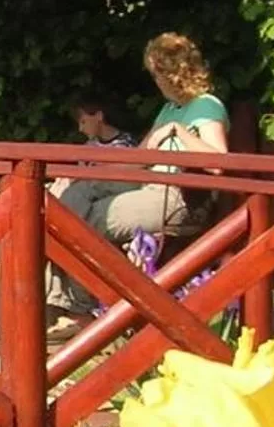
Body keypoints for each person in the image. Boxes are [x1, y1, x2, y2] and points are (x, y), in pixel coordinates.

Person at [49, 35, 229, 317]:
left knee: (90, 219)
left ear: (173, 74)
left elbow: (219, 161)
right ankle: (62, 286)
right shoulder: (170, 109)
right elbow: (140, 158)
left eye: (157, 74)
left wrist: (178, 132)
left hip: (179, 196)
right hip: (150, 183)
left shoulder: (206, 106)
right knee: (77, 194)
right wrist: (95, 172)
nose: (155, 82)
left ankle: (82, 305)